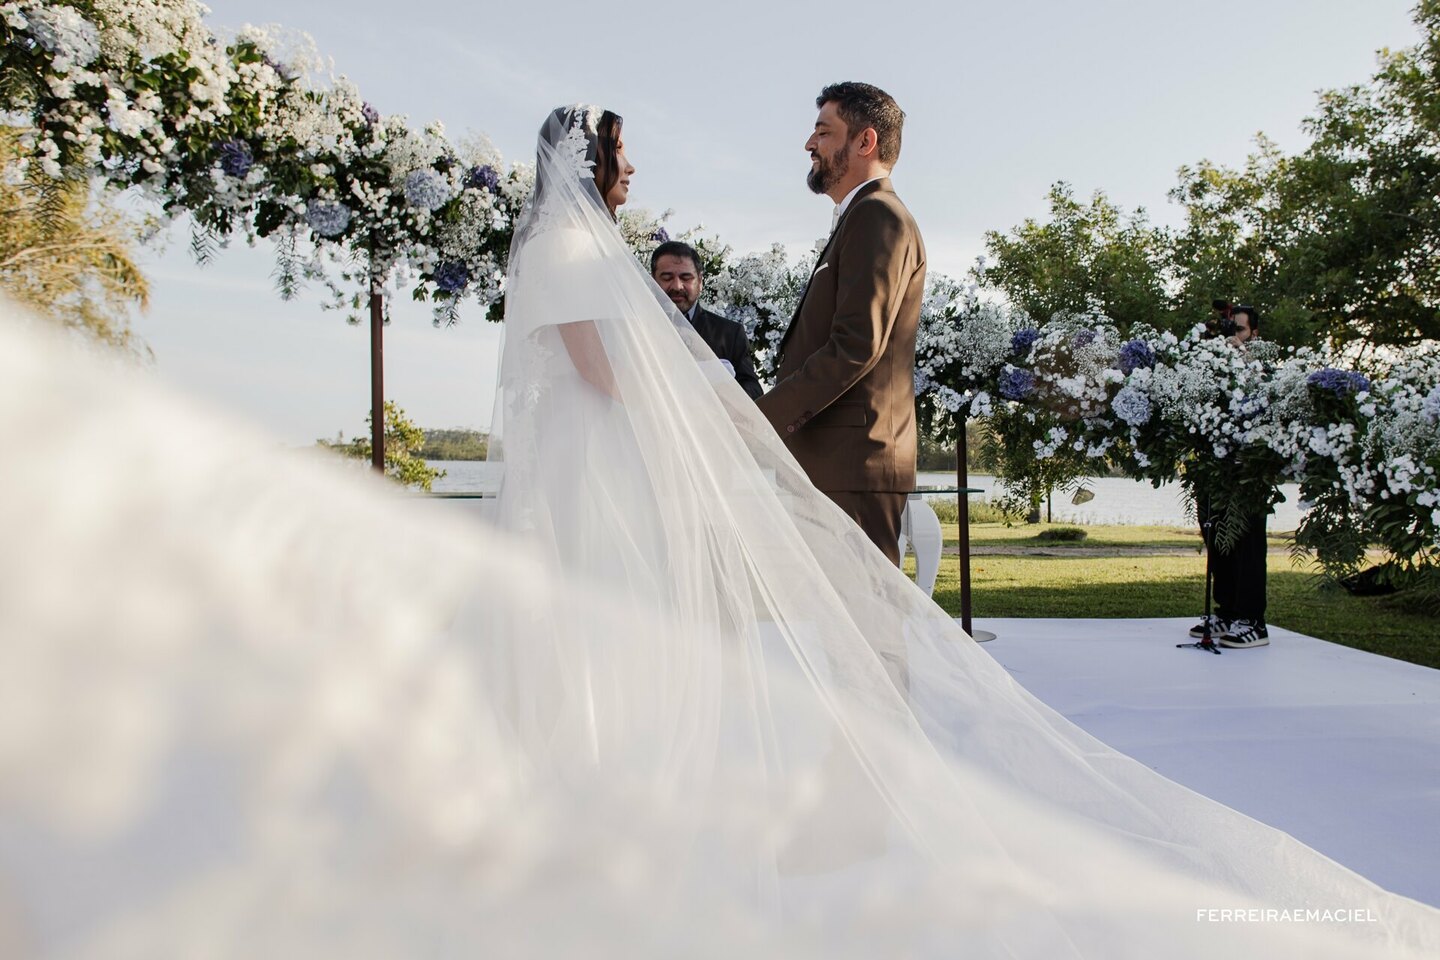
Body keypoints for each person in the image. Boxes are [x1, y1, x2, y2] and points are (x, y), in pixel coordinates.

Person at [7, 105, 1434, 957]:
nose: (631, 184)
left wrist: (710, 393)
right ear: (592, 170)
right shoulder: (573, 255)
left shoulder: (593, 251)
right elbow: (601, 379)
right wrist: (707, 400)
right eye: (621, 162)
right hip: (608, 486)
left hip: (618, 485)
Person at [756, 82, 926, 567]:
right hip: (836, 460)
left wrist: (760, 420)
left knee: (868, 631)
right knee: (841, 631)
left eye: (824, 132)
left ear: (864, 142)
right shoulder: (860, 216)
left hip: (855, 460)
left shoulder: (877, 216)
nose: (811, 144)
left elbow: (856, 344)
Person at [1188, 304, 1271, 649]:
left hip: (1248, 470)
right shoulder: (1212, 369)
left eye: (1238, 329)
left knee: (1248, 545)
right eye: (1228, 329)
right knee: (1217, 538)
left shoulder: (1262, 368)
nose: (1232, 336)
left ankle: (1253, 620)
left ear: (1253, 334)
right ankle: (1226, 612)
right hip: (1215, 469)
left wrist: (1243, 358)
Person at [650, 240, 763, 399]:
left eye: (686, 277)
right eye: (667, 277)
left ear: (700, 282)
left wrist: (720, 389)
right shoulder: (636, 328)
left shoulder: (729, 333)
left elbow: (754, 390)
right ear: (652, 281)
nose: (677, 286)